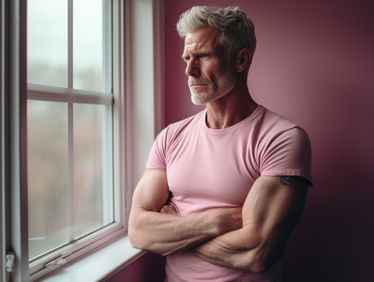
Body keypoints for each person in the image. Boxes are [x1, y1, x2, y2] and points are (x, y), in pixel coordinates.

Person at [128, 5, 312, 282]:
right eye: (186, 57)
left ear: (241, 60)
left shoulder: (282, 139)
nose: (190, 70)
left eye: (203, 56)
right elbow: (138, 231)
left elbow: (258, 253)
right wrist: (220, 221)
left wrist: (174, 230)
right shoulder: (170, 137)